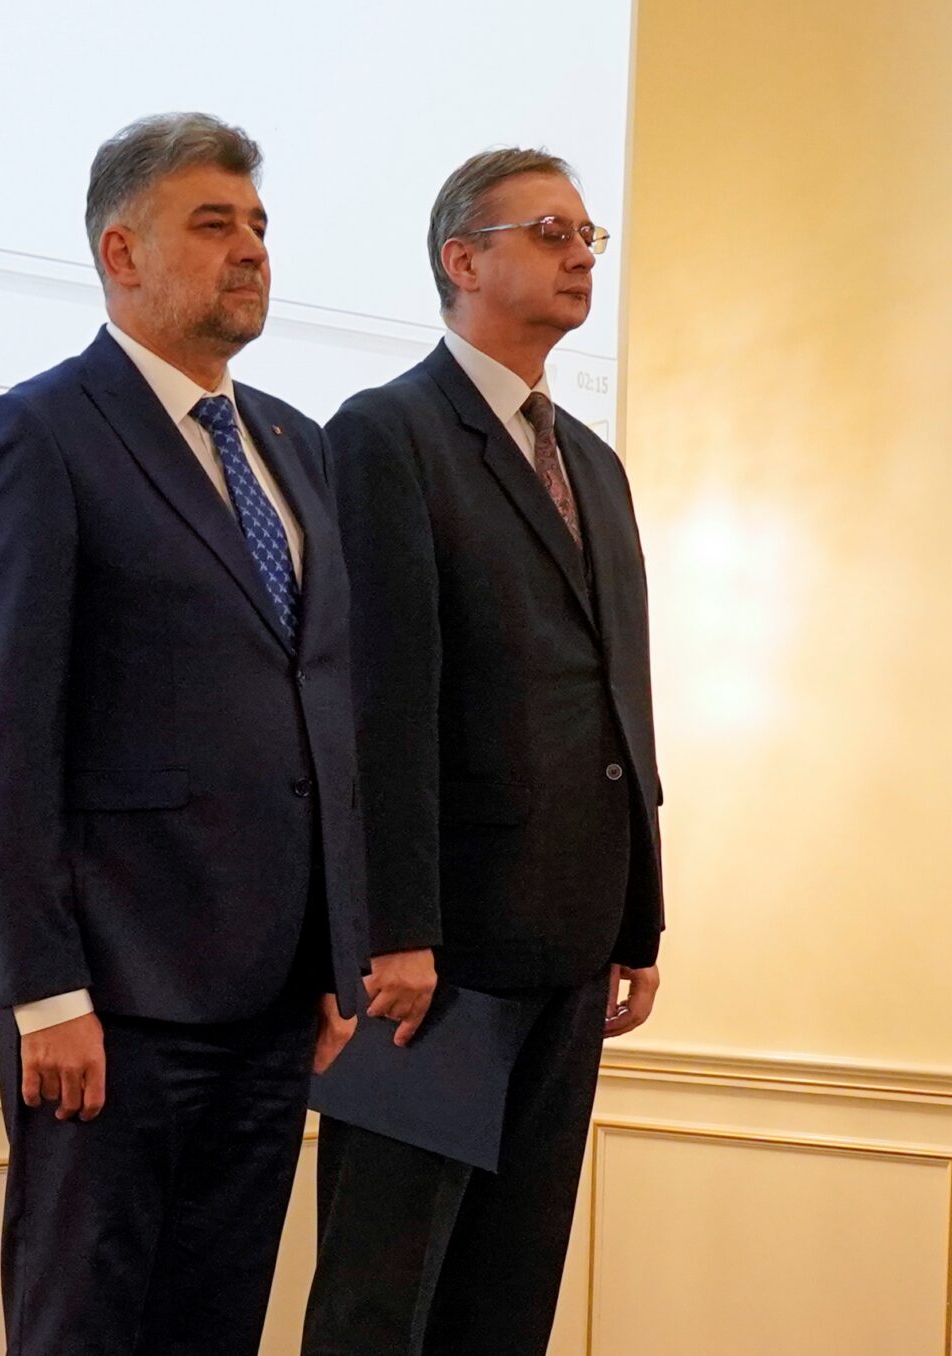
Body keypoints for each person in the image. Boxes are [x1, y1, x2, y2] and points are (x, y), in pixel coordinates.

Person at [0, 112, 370, 1356]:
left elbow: (318, 702)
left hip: (272, 996)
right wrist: (42, 990)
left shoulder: (292, 442)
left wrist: (334, 948)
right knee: (87, 1326)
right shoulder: (40, 433)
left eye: (259, 225)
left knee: (214, 1328)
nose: (251, 249)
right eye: (213, 223)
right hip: (114, 1000)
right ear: (120, 252)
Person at [302, 148, 664, 1356]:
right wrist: (393, 930)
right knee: (381, 1298)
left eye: (587, 235)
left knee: (508, 1298)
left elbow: (619, 699)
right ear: (461, 260)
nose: (579, 255)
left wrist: (639, 917)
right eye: (549, 232)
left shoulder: (593, 464)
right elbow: (381, 698)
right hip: (440, 958)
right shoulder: (386, 433)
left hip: (574, 938)